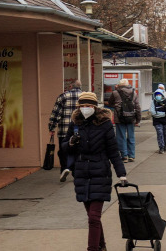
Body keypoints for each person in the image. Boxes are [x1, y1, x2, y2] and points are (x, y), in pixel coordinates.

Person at [62, 92, 127, 251]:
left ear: (94, 107)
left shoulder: (105, 124)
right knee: (93, 218)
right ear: (79, 107)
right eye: (83, 106)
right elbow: (63, 147)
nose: (85, 109)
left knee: (93, 217)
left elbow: (113, 151)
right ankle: (102, 246)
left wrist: (121, 174)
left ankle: (92, 249)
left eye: (89, 106)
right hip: (82, 174)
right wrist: (70, 142)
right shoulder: (75, 123)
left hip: (100, 174)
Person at [49, 80, 82, 182]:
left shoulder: (63, 96)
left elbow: (56, 113)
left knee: (64, 150)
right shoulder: (85, 96)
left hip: (64, 129)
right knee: (77, 151)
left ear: (71, 86)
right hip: (80, 129)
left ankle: (65, 168)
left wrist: (52, 127)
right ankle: (76, 171)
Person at [107, 79, 141, 163]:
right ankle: (132, 156)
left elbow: (110, 102)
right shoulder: (134, 93)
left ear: (119, 85)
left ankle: (124, 156)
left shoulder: (115, 93)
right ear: (128, 85)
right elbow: (138, 107)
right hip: (131, 118)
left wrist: (116, 106)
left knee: (121, 137)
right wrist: (138, 119)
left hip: (119, 118)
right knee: (131, 136)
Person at [150, 87, 166, 154]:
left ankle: (164, 145)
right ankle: (161, 147)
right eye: (157, 95)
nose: (158, 96)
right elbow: (153, 112)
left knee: (165, 134)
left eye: (159, 94)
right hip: (157, 121)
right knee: (160, 133)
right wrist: (163, 114)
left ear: (162, 95)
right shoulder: (153, 102)